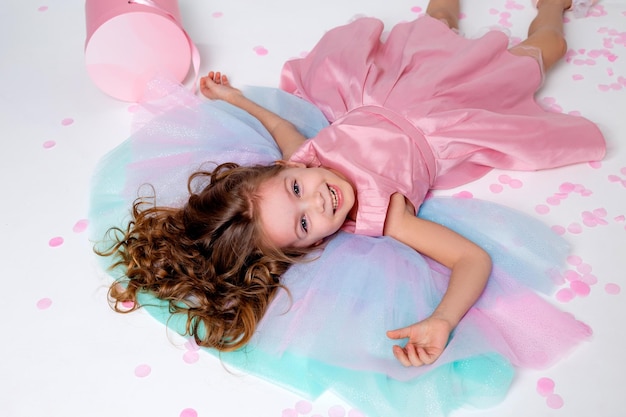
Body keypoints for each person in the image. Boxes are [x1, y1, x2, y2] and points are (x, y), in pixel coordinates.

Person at [97, 0, 604, 371]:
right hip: (449, 115)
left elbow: (280, 128)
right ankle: (551, 9)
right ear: (312, 244)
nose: (318, 199)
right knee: (539, 54)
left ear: (283, 169)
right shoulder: (384, 215)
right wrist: (443, 321)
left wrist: (235, 98)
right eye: (303, 222)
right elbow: (473, 260)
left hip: (395, 84)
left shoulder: (307, 155)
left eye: (296, 189)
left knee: (435, 22)